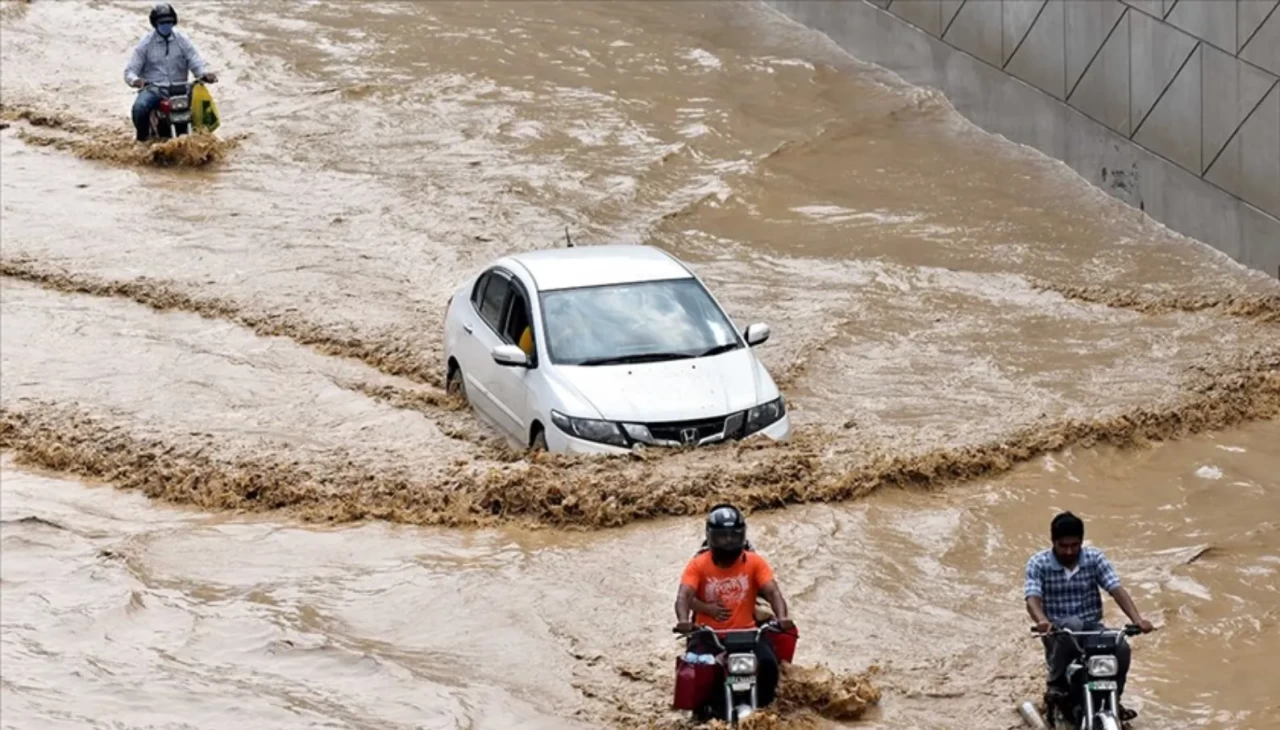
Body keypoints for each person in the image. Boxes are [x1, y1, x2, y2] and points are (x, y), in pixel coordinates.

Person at [1024, 511, 1155, 723]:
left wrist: (1137, 620)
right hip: (1057, 631)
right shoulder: (1038, 563)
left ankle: (1115, 697)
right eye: (1063, 546)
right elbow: (1032, 598)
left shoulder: (1094, 558)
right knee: (1072, 624)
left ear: (1082, 542)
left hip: (1091, 628)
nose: (1069, 551)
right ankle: (1055, 685)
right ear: (1053, 542)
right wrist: (1042, 621)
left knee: (1121, 646)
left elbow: (1115, 588)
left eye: (1074, 545)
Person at [675, 504, 794, 715]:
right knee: (700, 677)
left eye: (733, 536)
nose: (728, 542)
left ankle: (764, 713)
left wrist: (782, 617)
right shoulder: (698, 564)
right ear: (710, 537)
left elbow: (773, 593)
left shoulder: (755, 562)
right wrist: (685, 621)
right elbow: (684, 595)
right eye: (722, 537)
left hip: (748, 635)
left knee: (768, 665)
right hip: (708, 636)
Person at [123, 3, 218, 142]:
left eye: (169, 22)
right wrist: (136, 81)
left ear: (174, 22)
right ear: (155, 24)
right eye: (162, 23)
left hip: (181, 89)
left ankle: (203, 140)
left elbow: (195, 61)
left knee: (204, 108)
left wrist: (204, 74)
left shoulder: (182, 40)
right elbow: (130, 71)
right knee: (140, 107)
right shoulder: (145, 43)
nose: (166, 25)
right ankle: (142, 140)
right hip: (154, 89)